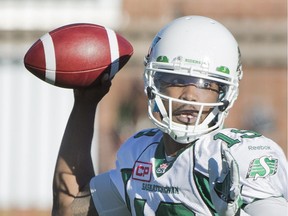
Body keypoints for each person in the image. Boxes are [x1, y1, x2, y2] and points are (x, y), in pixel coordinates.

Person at [51, 16, 287, 216]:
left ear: (227, 92)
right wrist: (84, 105)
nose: (190, 96)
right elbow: (69, 207)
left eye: (207, 85)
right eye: (176, 80)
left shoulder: (235, 156)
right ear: (154, 84)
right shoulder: (140, 153)